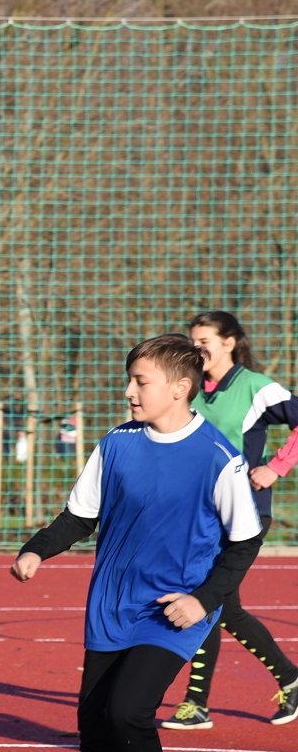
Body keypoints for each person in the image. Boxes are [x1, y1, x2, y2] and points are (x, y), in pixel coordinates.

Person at [12, 334, 261, 752]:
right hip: (110, 606)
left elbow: (244, 541)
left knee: (128, 712)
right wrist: (36, 549)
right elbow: (79, 517)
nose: (129, 392)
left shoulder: (218, 458)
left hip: (173, 612)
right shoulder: (117, 444)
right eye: (129, 380)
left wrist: (203, 598)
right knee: (94, 725)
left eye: (140, 382)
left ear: (180, 388)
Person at [159, 310, 298, 730]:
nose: (197, 347)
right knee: (217, 603)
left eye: (205, 341)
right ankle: (289, 680)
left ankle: (198, 703)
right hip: (201, 513)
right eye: (193, 340)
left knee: (211, 599)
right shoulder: (192, 388)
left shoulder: (257, 388)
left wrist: (276, 466)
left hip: (246, 512)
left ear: (229, 343)